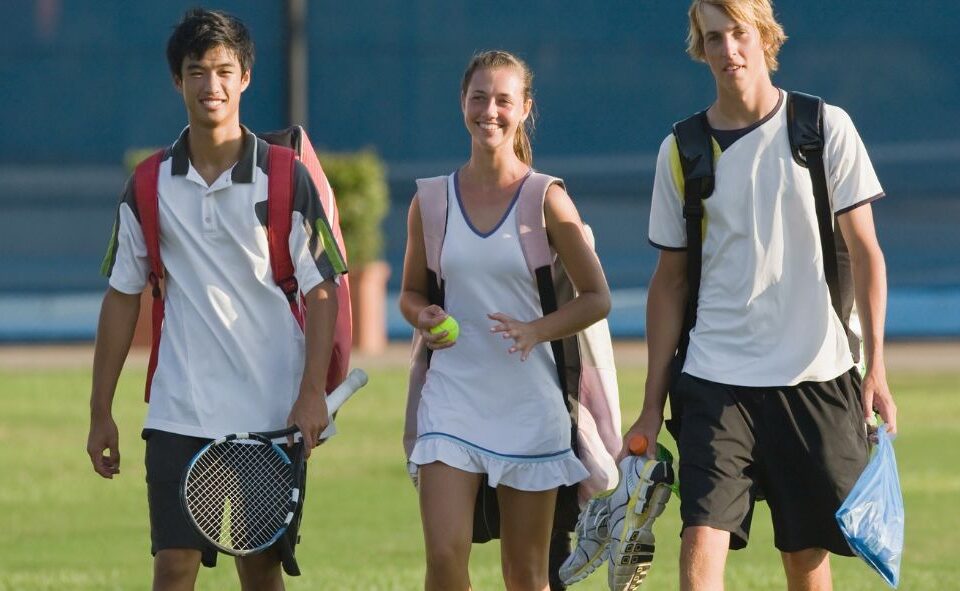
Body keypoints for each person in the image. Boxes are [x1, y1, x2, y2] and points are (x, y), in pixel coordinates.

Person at [621, 1, 899, 589]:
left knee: (805, 558)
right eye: (713, 38)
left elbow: (867, 254)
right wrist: (650, 402)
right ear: (700, 47)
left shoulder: (824, 128)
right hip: (714, 376)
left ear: (765, 36)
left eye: (738, 33)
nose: (728, 50)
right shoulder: (682, 149)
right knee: (700, 538)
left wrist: (876, 368)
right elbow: (668, 281)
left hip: (817, 374)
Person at [86, 8, 345, 591]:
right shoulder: (148, 184)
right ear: (177, 81)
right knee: (172, 569)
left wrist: (310, 394)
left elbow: (322, 288)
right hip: (181, 408)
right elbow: (122, 296)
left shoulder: (285, 177)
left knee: (258, 572)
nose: (212, 85)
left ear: (246, 77)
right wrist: (100, 411)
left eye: (225, 70)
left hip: (269, 412)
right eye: (197, 71)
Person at [399, 50, 612, 591]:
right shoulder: (430, 201)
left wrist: (536, 330)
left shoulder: (547, 198)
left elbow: (597, 298)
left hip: (530, 407)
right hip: (451, 400)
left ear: (523, 110)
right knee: (445, 559)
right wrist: (421, 315)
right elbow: (409, 293)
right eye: (478, 97)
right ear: (462, 103)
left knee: (525, 574)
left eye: (503, 100)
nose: (488, 110)